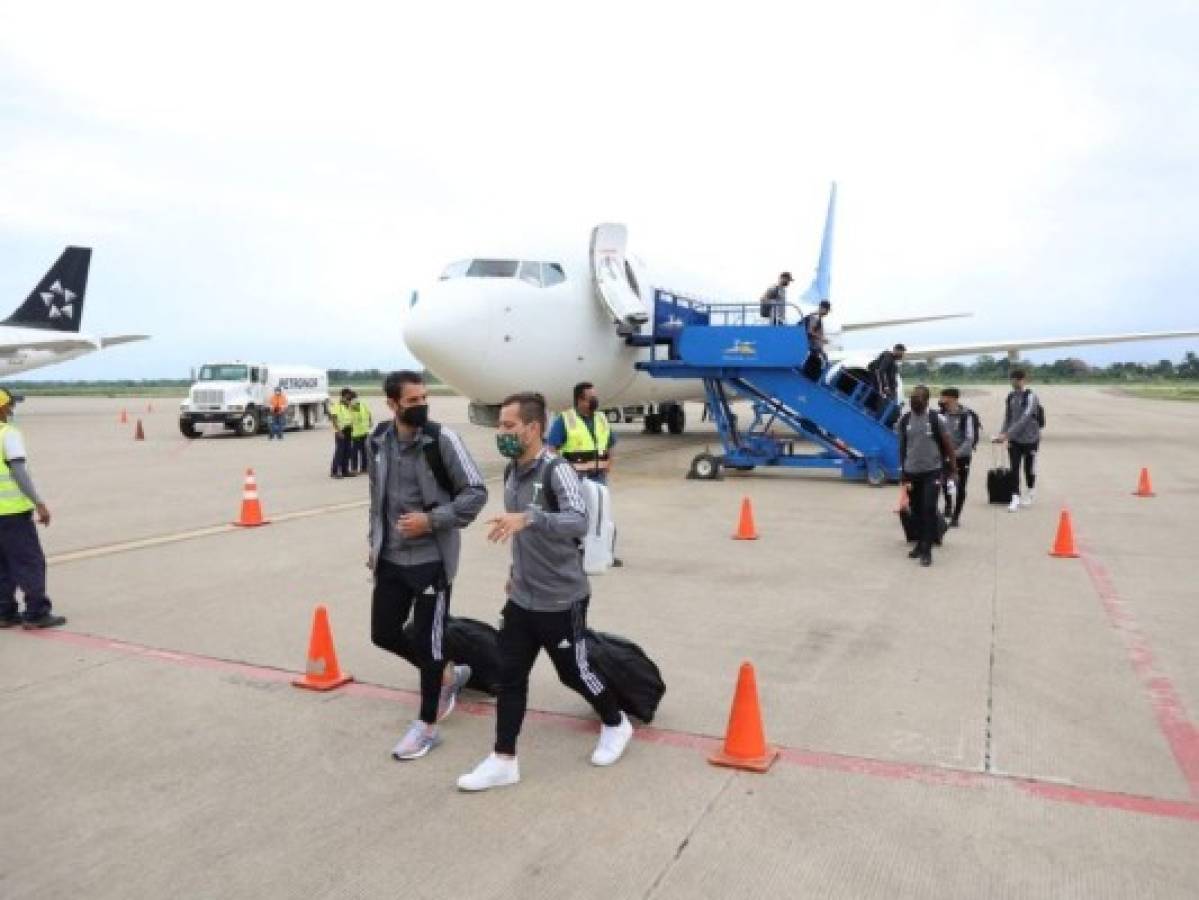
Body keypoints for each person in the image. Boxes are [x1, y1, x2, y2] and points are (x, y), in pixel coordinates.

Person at [457, 391, 632, 791]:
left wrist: (531, 519)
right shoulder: (511, 471)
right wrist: (516, 571)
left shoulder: (557, 470)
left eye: (508, 426)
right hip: (522, 596)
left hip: (561, 597)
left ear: (533, 428)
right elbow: (520, 534)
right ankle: (504, 759)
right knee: (510, 675)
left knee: (574, 672)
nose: (501, 433)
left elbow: (577, 520)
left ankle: (616, 722)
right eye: (500, 425)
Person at [367, 370, 488, 760]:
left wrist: (431, 521)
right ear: (392, 404)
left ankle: (427, 727)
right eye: (412, 401)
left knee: (428, 640)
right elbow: (377, 500)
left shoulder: (442, 439)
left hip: (431, 559)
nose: (421, 406)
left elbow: (476, 493)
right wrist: (375, 543)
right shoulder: (378, 441)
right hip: (391, 557)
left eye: (424, 399)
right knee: (383, 633)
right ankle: (446, 675)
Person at [0, 389, 64, 629]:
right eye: (9, 405)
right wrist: (39, 503)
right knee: (29, 562)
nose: (12, 409)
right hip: (12, 513)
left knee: (2, 564)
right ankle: (36, 612)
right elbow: (18, 472)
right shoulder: (8, 434)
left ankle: (5, 612)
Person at [897, 385, 958, 567]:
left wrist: (953, 470)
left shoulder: (935, 419)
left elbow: (948, 446)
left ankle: (927, 550)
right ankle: (921, 543)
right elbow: (902, 447)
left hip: (932, 472)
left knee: (929, 508)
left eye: (918, 399)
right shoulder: (905, 420)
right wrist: (903, 471)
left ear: (926, 401)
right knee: (916, 510)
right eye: (912, 399)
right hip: (911, 473)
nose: (914, 402)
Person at [546, 382, 615, 484]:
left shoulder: (601, 417)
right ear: (580, 400)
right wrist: (562, 472)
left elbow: (610, 443)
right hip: (575, 477)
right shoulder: (565, 419)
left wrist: (610, 463)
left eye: (595, 397)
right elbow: (552, 449)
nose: (595, 401)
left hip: (600, 476)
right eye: (591, 398)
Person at [996, 368, 1041, 513]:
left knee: (1029, 468)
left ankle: (1030, 490)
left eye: (1017, 380)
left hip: (1031, 438)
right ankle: (1015, 497)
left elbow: (1025, 418)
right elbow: (1008, 417)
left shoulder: (1031, 397)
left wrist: (1007, 434)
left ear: (1023, 380)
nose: (1014, 382)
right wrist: (1002, 433)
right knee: (1014, 468)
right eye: (1012, 380)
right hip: (1014, 440)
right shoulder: (1010, 397)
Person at [938, 388, 979, 527]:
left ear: (954, 398)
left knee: (960, 485)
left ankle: (956, 516)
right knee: (944, 482)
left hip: (962, 457)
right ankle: (948, 506)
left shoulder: (966, 415)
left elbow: (969, 438)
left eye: (944, 398)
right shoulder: (941, 414)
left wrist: (955, 454)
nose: (942, 400)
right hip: (944, 456)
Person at [328, 388, 355, 478]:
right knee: (340, 452)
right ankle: (334, 472)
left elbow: (350, 416)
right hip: (341, 430)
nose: (350, 396)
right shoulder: (337, 405)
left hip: (348, 430)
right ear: (344, 395)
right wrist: (339, 431)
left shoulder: (349, 405)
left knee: (347, 451)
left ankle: (345, 471)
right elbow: (334, 419)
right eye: (349, 395)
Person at [801, 300, 832, 377]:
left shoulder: (817, 317)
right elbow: (809, 331)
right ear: (822, 308)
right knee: (815, 366)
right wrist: (822, 339)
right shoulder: (815, 317)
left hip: (814, 349)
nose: (827, 313)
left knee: (818, 363)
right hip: (812, 348)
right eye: (827, 311)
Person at [349, 393, 373, 475]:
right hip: (361, 432)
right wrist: (370, 422)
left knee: (360, 452)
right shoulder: (360, 404)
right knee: (360, 451)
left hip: (360, 432)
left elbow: (368, 414)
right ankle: (360, 468)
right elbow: (368, 414)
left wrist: (369, 422)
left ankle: (359, 468)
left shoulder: (355, 405)